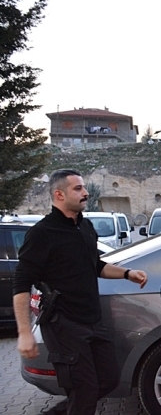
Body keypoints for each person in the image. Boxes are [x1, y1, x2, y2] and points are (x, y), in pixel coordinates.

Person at [12, 169, 148, 415]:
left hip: (92, 321)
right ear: (59, 194)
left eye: (84, 187)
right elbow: (21, 283)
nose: (86, 193)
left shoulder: (85, 226)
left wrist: (127, 273)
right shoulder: (42, 233)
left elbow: (95, 265)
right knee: (83, 391)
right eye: (78, 188)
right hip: (64, 325)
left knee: (108, 379)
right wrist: (23, 333)